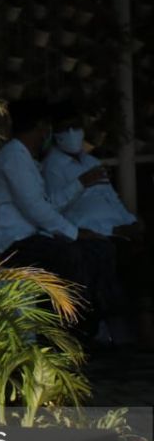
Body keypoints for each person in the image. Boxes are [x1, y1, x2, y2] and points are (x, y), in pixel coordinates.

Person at [0, 98, 128, 343]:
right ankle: (72, 331)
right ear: (40, 127)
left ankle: (102, 323)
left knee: (101, 249)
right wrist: (75, 233)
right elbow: (36, 209)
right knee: (70, 254)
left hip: (30, 237)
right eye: (46, 126)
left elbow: (45, 204)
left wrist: (80, 185)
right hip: (10, 242)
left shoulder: (25, 157)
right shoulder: (13, 157)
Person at [42, 99, 152, 345]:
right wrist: (81, 183)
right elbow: (54, 208)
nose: (72, 133)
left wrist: (131, 221)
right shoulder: (52, 166)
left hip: (120, 228)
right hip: (93, 233)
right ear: (56, 133)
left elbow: (110, 198)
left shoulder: (91, 161)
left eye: (76, 127)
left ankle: (141, 323)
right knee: (121, 259)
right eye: (65, 128)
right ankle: (131, 328)